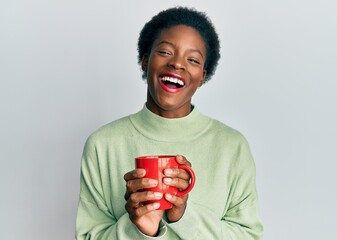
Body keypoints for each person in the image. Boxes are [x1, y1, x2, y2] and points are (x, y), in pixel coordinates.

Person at [76, 6, 264, 239]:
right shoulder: (101, 144)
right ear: (145, 61)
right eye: (165, 52)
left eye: (193, 59)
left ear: (203, 77)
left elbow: (249, 236)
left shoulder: (232, 146)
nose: (177, 64)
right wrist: (139, 227)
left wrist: (183, 215)